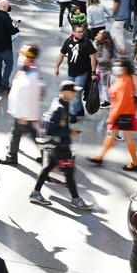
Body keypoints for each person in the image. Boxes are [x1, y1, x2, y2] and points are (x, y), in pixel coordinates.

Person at [30, 80, 91, 210]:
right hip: (60, 146)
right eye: (72, 91)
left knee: (48, 167)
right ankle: (76, 199)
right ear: (64, 92)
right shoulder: (60, 108)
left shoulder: (59, 102)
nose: (75, 94)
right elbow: (50, 130)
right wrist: (70, 131)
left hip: (55, 145)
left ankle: (35, 193)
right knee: (68, 172)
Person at [89, 59, 137, 171]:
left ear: (125, 68)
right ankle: (100, 157)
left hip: (122, 114)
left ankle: (135, 163)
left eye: (118, 66)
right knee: (114, 136)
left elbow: (120, 102)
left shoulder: (124, 82)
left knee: (123, 138)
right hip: (124, 113)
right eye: (115, 65)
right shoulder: (124, 79)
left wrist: (112, 117)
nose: (115, 68)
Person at [0, 44, 44, 166]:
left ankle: (12, 156)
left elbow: (30, 97)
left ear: (31, 58)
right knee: (31, 134)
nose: (21, 56)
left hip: (24, 114)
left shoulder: (31, 76)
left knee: (17, 133)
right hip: (23, 113)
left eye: (24, 54)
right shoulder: (27, 70)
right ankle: (46, 154)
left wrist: (24, 116)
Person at [54, 24, 96, 119]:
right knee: (71, 92)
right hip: (71, 72)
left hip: (82, 73)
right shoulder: (68, 41)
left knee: (75, 93)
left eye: (82, 31)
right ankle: (80, 110)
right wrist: (57, 66)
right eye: (79, 32)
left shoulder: (87, 43)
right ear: (73, 32)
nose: (81, 34)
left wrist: (93, 72)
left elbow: (93, 57)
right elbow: (62, 54)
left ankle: (73, 113)